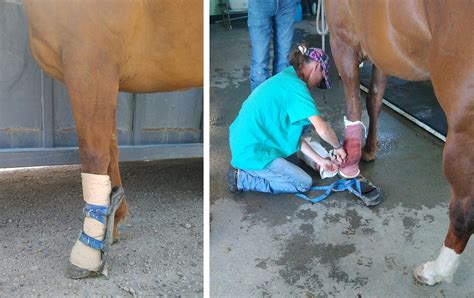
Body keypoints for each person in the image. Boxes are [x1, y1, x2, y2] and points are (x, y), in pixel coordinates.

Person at [228, 44, 345, 195]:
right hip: (253, 151)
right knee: (303, 183)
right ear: (317, 67)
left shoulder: (288, 77)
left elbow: (294, 137)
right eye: (321, 79)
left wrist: (321, 161)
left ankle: (251, 169)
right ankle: (241, 179)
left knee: (301, 127)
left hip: (244, 140)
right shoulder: (297, 88)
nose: (317, 85)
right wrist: (338, 147)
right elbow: (322, 129)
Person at [248, 0, 296, 91]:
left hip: (287, 3)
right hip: (260, 4)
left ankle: (278, 100)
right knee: (260, 61)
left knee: (283, 60)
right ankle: (261, 103)